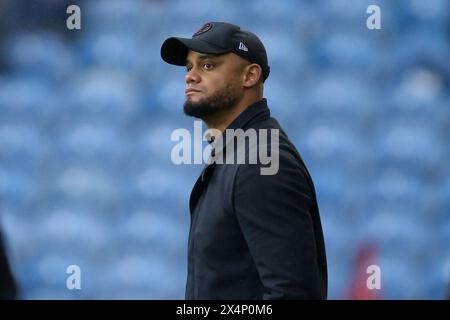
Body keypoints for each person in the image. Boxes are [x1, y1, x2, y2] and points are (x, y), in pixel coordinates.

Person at [161, 22, 327, 299]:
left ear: (250, 76)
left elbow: (293, 293)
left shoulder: (262, 164)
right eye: (189, 67)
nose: (190, 77)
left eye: (208, 66)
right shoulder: (240, 155)